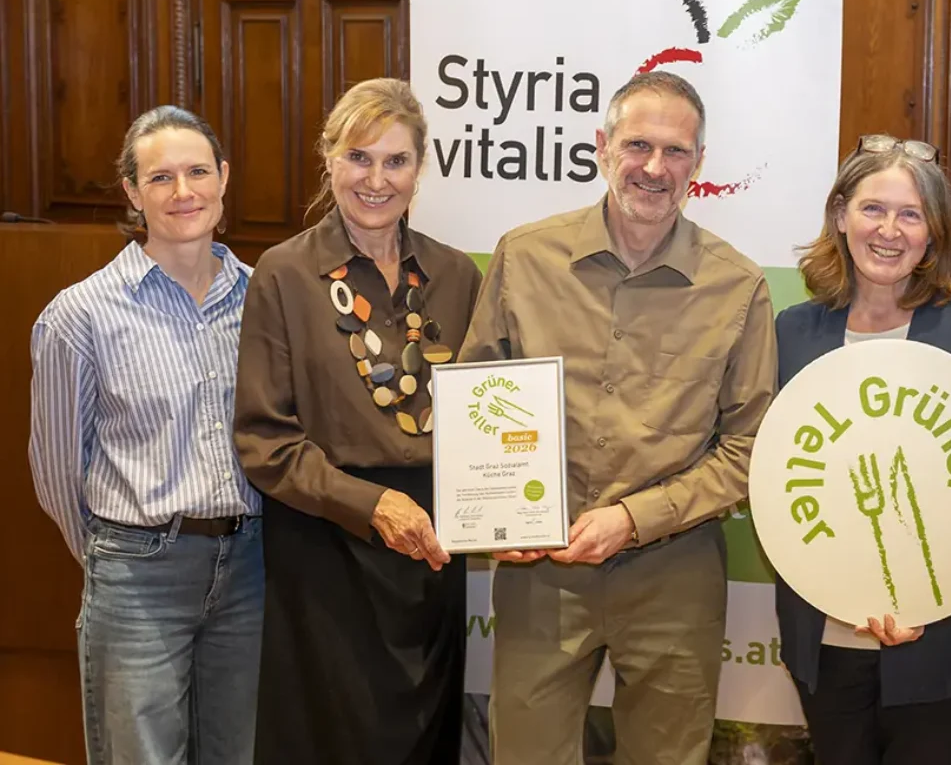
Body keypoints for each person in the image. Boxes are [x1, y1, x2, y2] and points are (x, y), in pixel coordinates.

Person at [459, 70, 777, 765]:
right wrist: (493, 517)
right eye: (638, 145)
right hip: (543, 572)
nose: (654, 167)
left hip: (674, 575)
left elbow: (750, 448)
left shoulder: (738, 286)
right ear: (602, 147)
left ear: (698, 164)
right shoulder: (525, 257)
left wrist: (634, 520)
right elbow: (478, 404)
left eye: (676, 151)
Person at [233, 78, 482, 764]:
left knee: (425, 742)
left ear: (420, 168)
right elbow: (264, 440)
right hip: (326, 544)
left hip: (433, 547)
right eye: (359, 158)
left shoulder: (457, 275)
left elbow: (486, 415)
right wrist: (371, 505)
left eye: (396, 161)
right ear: (329, 159)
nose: (377, 180)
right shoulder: (283, 274)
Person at [773, 134, 951, 765]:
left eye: (911, 214)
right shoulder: (794, 331)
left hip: (946, 640)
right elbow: (780, 474)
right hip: (827, 640)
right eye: (873, 209)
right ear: (841, 216)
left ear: (933, 233)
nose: (889, 231)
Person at [29, 106, 262, 765]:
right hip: (138, 576)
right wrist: (119, 557)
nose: (183, 191)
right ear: (133, 193)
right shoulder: (79, 315)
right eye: (161, 178)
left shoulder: (265, 298)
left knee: (242, 752)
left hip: (252, 569)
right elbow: (56, 471)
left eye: (197, 172)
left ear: (224, 178)